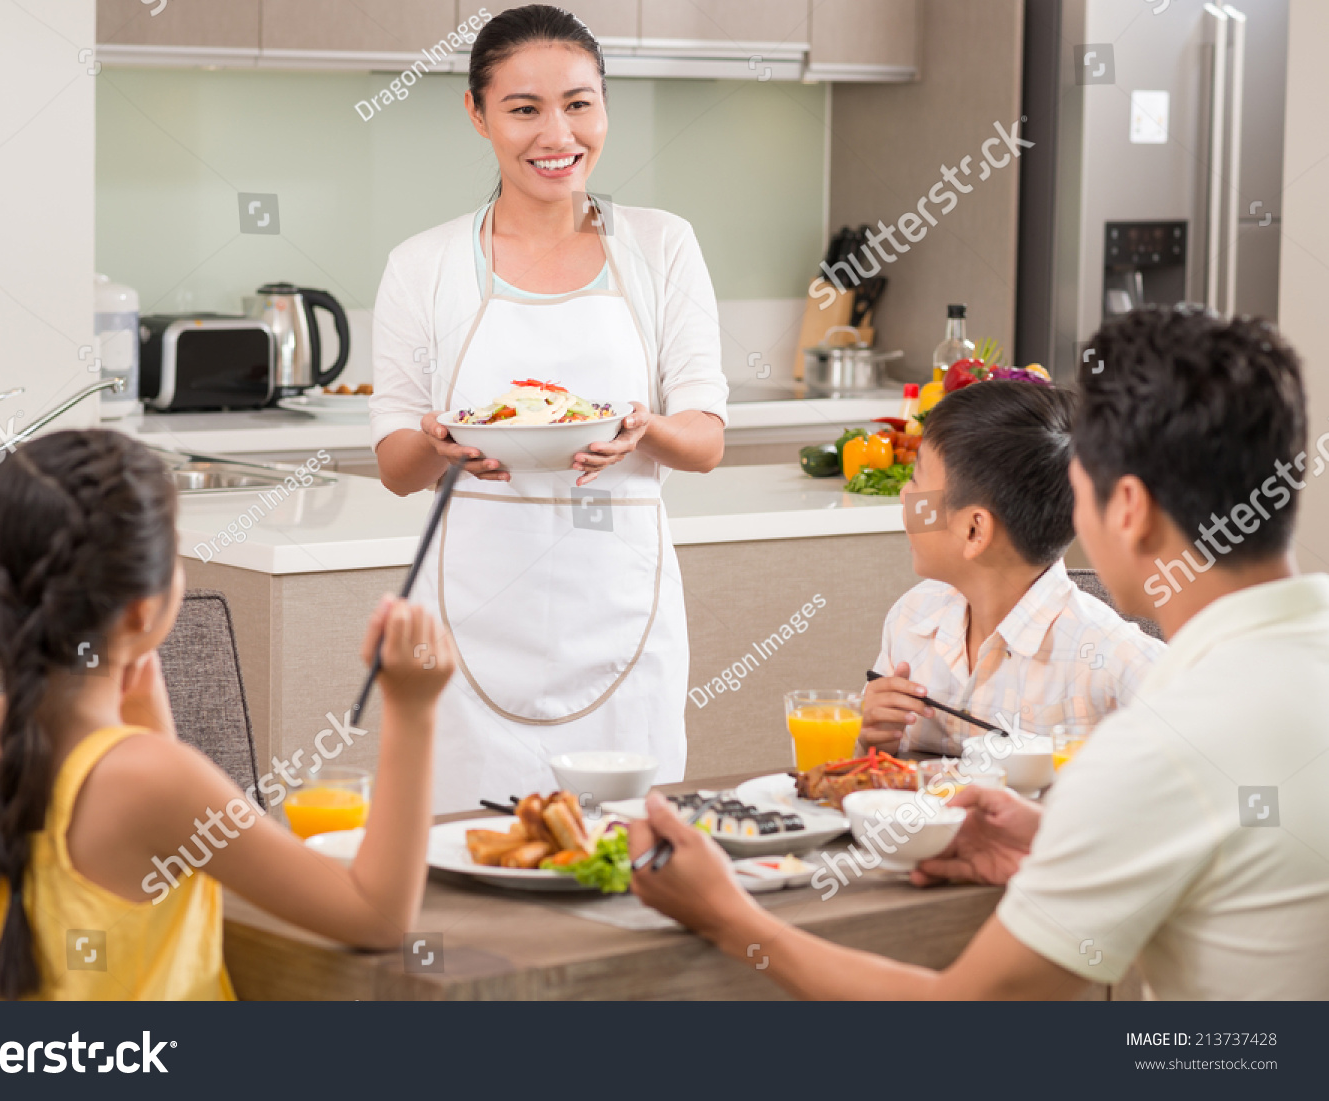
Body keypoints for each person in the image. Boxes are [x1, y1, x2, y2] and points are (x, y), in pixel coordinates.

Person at [628, 307, 1329, 999]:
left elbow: (961, 1014)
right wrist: (1062, 837)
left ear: (1128, 509)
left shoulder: (1155, 741)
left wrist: (724, 914)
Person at [0, 430, 453, 1000]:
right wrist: (412, 708)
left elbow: (145, 861)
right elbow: (378, 916)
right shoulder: (152, 779)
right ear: (141, 610)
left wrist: (145, 715)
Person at [369, 5, 728, 814]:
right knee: (469, 850)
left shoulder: (661, 246)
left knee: (626, 848)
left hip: (622, 613)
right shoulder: (422, 265)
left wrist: (646, 430)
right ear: (477, 114)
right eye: (524, 108)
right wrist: (438, 443)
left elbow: (705, 440)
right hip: (470, 618)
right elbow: (396, 465)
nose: (556, 134)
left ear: (604, 107)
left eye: (578, 104)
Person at [862, 380, 1164, 755]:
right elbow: (869, 765)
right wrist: (870, 737)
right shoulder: (911, 619)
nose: (904, 496)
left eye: (916, 482)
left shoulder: (1115, 662)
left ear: (974, 530)